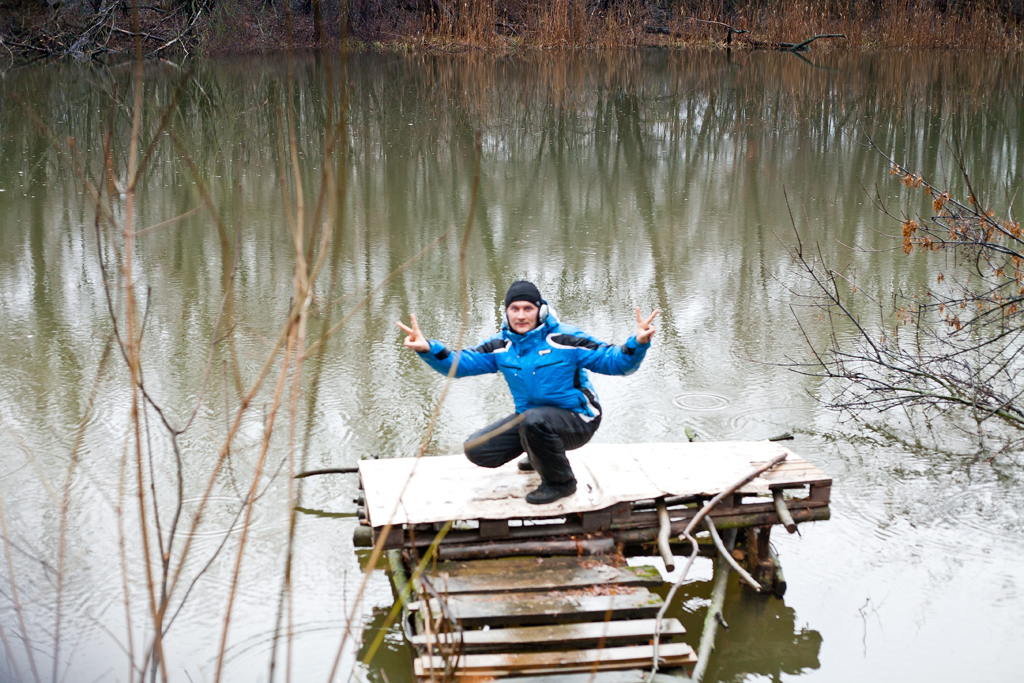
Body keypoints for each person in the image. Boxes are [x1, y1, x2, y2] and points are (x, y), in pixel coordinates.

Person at [397, 281, 658, 505]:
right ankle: (540, 455)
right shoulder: (500, 346)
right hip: (533, 420)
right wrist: (427, 348)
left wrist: (638, 343)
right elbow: (459, 365)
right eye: (515, 309)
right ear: (507, 312)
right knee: (477, 449)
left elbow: (616, 363)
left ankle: (561, 483)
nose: (521, 315)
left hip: (579, 419)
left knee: (534, 420)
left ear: (540, 311)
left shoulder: (565, 339)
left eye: (528, 309)